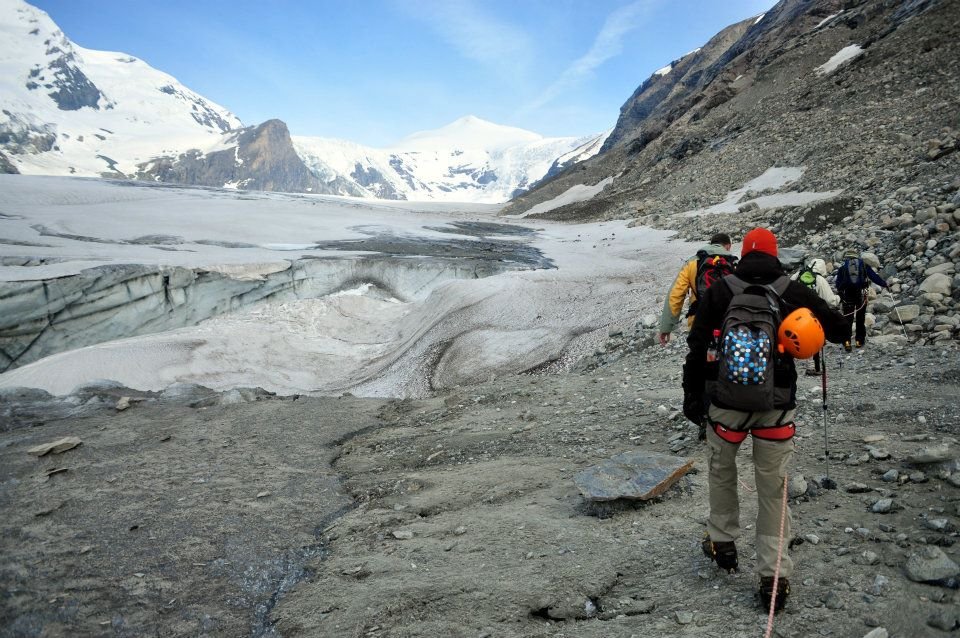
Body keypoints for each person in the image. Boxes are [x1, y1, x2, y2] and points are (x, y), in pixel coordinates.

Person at [682, 228, 850, 612]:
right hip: (776, 407)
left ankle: (722, 544)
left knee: (721, 472)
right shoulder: (792, 290)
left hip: (724, 405)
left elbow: (695, 349)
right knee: (773, 489)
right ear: (776, 256)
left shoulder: (720, 290)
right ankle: (774, 577)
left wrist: (693, 398)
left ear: (743, 254)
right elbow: (838, 329)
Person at [658, 233, 736, 346]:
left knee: (698, 359)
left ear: (711, 244)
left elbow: (676, 293)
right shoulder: (733, 263)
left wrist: (666, 327)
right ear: (728, 246)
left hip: (699, 321)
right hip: (729, 321)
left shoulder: (693, 262)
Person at [790, 258, 839, 375]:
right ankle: (814, 367)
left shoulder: (797, 275)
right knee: (814, 339)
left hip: (795, 314)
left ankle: (793, 365)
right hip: (813, 315)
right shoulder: (820, 280)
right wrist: (839, 298)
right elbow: (831, 301)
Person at [835, 249, 888, 350]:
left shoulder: (842, 268)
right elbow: (874, 277)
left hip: (847, 296)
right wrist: (884, 284)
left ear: (847, 258)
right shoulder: (863, 266)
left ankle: (847, 342)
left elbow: (838, 284)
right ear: (857, 257)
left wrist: (841, 294)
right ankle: (859, 341)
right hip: (861, 295)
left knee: (848, 319)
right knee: (860, 319)